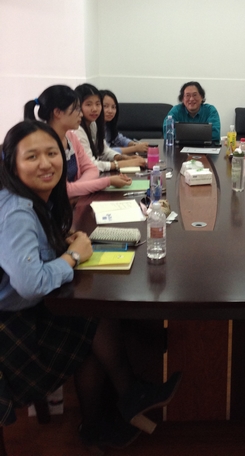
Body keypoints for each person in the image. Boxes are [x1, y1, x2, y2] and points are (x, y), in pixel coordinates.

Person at [0, 121, 181, 448]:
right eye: (32, 156)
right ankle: (124, 400)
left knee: (92, 319)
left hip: (21, 310)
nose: (46, 163)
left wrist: (59, 243)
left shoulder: (32, 199)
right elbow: (30, 284)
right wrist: (72, 256)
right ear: (12, 164)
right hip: (12, 328)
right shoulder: (16, 210)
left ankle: (104, 417)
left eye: (52, 153)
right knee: (91, 320)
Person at [24, 85, 132, 197]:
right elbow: (63, 191)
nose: (81, 114)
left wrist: (76, 189)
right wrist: (107, 181)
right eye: (76, 109)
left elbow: (92, 169)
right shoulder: (44, 145)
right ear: (57, 112)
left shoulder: (71, 137)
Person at [74, 84, 146, 172]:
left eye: (98, 104)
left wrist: (122, 158)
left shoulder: (93, 124)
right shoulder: (77, 130)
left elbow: (104, 151)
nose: (95, 109)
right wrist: (123, 163)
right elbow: (91, 165)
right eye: (89, 104)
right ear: (77, 106)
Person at [100, 89, 149, 154]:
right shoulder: (94, 128)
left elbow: (118, 138)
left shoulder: (107, 125)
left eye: (113, 107)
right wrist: (135, 148)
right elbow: (104, 152)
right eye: (105, 106)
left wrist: (135, 144)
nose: (110, 111)